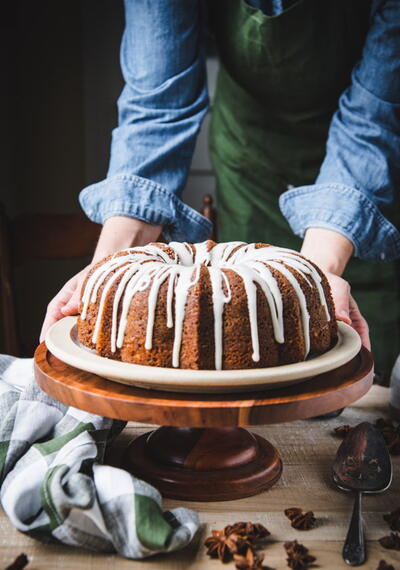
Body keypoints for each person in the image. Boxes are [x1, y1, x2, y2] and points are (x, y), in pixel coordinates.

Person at [41, 0, 400, 376]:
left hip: (366, 182)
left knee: (353, 382)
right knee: (248, 348)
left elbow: (372, 121)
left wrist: (313, 281)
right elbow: (158, 103)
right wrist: (109, 271)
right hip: (251, 153)